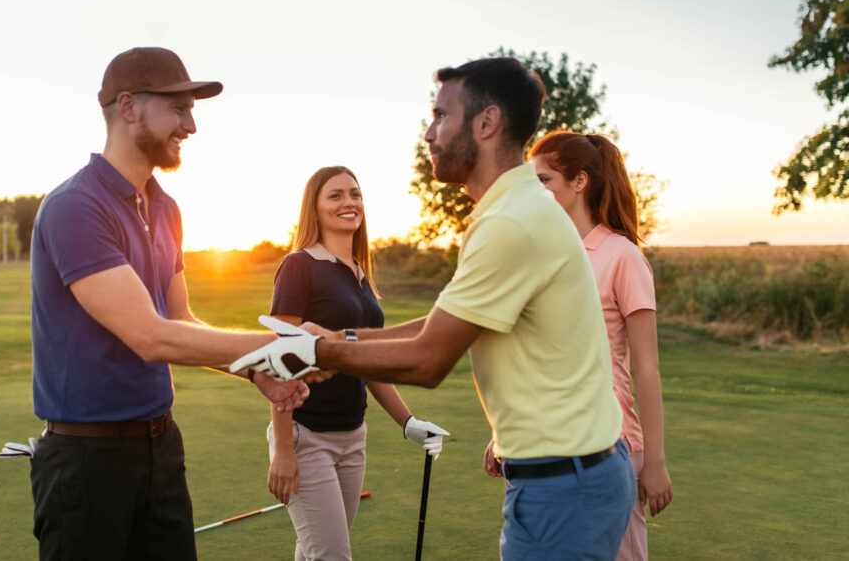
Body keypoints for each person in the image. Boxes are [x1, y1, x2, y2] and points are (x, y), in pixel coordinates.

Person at [233, 56, 637, 559]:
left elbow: (429, 358)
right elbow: (440, 324)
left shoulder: (509, 222)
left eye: (441, 116)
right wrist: (338, 341)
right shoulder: (516, 209)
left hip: (562, 487)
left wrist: (319, 350)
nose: (429, 133)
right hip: (575, 476)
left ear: (486, 123)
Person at [29, 46, 311, 560]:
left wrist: (254, 371)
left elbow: (179, 320)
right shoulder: (75, 207)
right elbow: (149, 336)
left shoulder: (166, 208)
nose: (192, 126)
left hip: (161, 446)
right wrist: (289, 346)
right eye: (179, 109)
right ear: (130, 106)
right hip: (86, 459)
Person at [265, 165, 448, 561]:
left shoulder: (360, 275)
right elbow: (280, 363)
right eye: (336, 195)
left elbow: (365, 364)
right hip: (307, 437)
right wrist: (283, 448)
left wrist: (408, 423)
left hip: (352, 439)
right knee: (331, 556)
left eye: (355, 194)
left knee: (315, 552)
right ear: (314, 207)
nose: (349, 202)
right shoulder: (299, 267)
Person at [529, 130, 673, 561]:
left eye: (544, 181)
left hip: (612, 447)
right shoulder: (542, 254)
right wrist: (507, 433)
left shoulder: (622, 256)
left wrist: (656, 462)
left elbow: (646, 369)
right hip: (544, 442)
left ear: (579, 182)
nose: (534, 193)